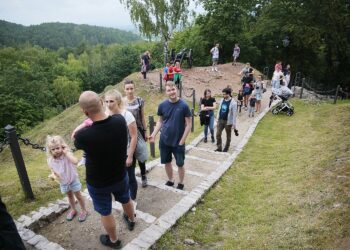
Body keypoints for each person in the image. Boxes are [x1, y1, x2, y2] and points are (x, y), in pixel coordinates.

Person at [74, 91, 135, 249]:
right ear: (102, 102)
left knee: (105, 212)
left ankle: (114, 240)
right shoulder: (119, 120)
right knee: (126, 198)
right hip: (120, 175)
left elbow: (76, 138)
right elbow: (110, 118)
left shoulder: (83, 136)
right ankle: (132, 219)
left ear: (84, 111)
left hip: (98, 182)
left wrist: (84, 124)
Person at [149, 82, 192, 190]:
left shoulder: (184, 105)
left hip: (178, 141)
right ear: (166, 92)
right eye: (169, 90)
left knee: (180, 164)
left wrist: (182, 141)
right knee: (167, 162)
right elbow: (160, 121)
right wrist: (153, 134)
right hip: (164, 140)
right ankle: (171, 179)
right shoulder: (162, 105)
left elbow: (189, 124)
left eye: (173, 89)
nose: (171, 92)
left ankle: (181, 182)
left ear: (176, 89)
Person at [105, 89, 138, 209]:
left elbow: (134, 136)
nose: (109, 104)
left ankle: (132, 201)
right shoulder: (105, 115)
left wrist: (130, 155)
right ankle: (124, 200)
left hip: (126, 152)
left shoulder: (126, 115)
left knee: (130, 178)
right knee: (118, 179)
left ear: (118, 101)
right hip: (112, 156)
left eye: (111, 101)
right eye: (107, 101)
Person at [46, 135, 88, 222]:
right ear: (50, 150)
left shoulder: (67, 156)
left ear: (62, 146)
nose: (56, 151)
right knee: (69, 196)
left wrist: (66, 152)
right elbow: (52, 169)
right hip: (63, 182)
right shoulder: (50, 160)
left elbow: (75, 162)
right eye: (53, 149)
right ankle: (73, 210)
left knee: (78, 196)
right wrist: (53, 174)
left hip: (73, 180)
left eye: (57, 148)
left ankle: (84, 210)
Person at [123, 79, 149, 187]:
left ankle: (143, 176)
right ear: (124, 90)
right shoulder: (121, 102)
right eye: (127, 89)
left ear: (134, 88)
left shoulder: (139, 100)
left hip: (138, 131)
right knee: (130, 155)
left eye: (131, 88)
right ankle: (131, 178)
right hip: (125, 133)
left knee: (141, 154)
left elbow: (142, 116)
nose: (130, 91)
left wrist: (145, 131)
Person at [215, 88, 238, 152]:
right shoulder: (222, 100)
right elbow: (219, 109)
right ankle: (219, 147)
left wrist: (234, 124)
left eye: (224, 94)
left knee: (228, 135)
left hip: (228, 122)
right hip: (220, 120)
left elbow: (234, 115)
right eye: (223, 94)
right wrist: (217, 118)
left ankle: (226, 147)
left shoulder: (233, 103)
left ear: (228, 94)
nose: (223, 95)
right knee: (218, 134)